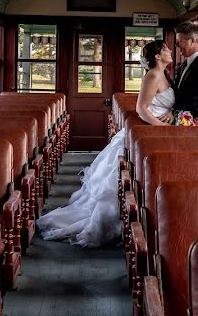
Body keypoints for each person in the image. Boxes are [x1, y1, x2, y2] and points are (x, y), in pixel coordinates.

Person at [36, 40, 175, 247]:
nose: (170, 51)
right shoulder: (153, 76)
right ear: (157, 56)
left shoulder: (164, 76)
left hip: (156, 131)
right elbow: (141, 109)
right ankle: (112, 227)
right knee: (112, 188)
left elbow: (164, 103)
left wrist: (171, 113)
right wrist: (160, 127)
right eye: (165, 49)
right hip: (149, 131)